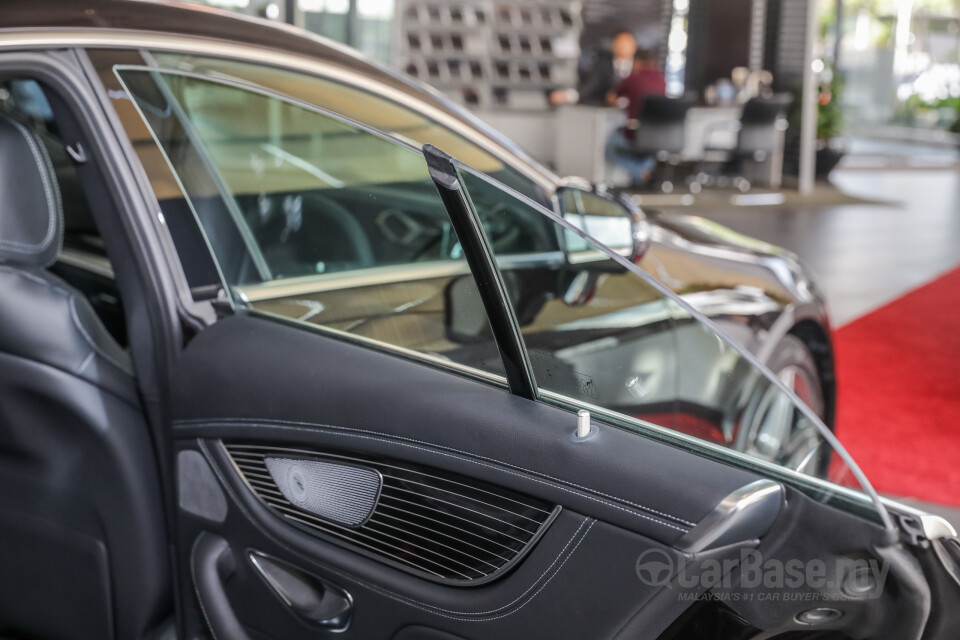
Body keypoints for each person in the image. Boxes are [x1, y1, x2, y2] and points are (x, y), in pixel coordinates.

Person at [605, 48, 667, 187]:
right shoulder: (662, 80)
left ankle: (639, 174)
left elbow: (611, 98)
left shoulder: (633, 78)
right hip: (658, 136)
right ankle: (644, 175)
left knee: (610, 148)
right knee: (647, 150)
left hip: (635, 135)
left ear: (637, 62)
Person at [549, 29, 637, 106]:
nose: (623, 46)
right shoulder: (603, 67)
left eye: (627, 42)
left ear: (634, 45)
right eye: (620, 42)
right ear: (614, 45)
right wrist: (568, 96)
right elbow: (589, 86)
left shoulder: (640, 69)